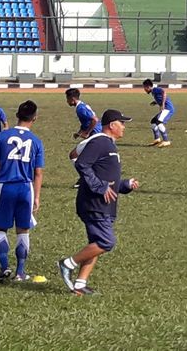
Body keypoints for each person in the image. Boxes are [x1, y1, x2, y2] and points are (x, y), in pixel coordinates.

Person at [57, 109, 140, 296]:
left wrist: (125, 185)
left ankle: (79, 284)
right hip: (94, 203)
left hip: (106, 205)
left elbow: (107, 177)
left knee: (95, 243)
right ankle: (67, 263)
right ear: (112, 125)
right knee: (106, 241)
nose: (124, 127)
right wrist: (99, 187)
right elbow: (81, 164)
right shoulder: (100, 142)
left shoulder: (109, 145)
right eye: (122, 123)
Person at [0, 100, 45, 283]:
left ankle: (4, 267)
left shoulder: (2, 137)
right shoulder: (36, 141)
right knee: (23, 230)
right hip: (25, 188)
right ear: (34, 118)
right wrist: (36, 196)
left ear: (17, 115)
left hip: (5, 186)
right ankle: (21, 272)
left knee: (1, 228)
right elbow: (38, 173)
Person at [142, 79, 174, 147]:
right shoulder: (153, 92)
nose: (144, 90)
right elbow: (160, 97)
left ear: (148, 87)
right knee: (153, 121)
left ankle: (166, 140)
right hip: (166, 109)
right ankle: (157, 139)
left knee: (159, 122)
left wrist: (162, 104)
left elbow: (164, 92)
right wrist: (156, 102)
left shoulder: (155, 89)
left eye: (144, 88)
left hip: (168, 109)